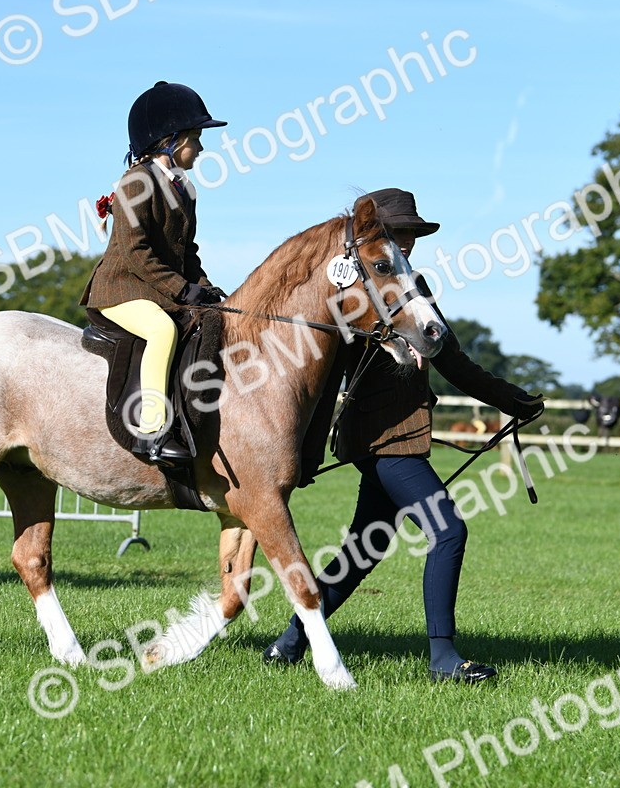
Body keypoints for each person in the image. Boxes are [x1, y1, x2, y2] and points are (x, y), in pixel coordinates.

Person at [263, 189, 544, 684]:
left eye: (412, 233)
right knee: (449, 530)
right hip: (381, 439)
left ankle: (288, 643)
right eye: (400, 232)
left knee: (363, 549)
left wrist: (512, 400)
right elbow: (331, 360)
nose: (408, 242)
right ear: (377, 237)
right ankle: (442, 659)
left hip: (404, 437)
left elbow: (451, 359)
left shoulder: (416, 287)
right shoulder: (354, 290)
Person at [79, 81, 227, 466]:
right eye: (195, 138)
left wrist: (206, 289)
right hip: (121, 290)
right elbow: (136, 252)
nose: (201, 148)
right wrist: (181, 289)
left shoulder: (185, 189)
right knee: (163, 330)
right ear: (170, 141)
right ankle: (152, 432)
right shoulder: (136, 183)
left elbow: (187, 251)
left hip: (154, 287)